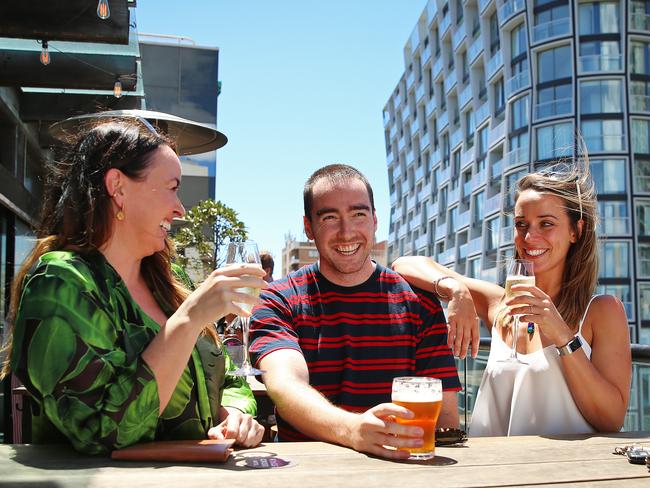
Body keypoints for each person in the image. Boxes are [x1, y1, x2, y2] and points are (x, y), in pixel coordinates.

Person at [0, 119, 267, 454]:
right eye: (172, 187)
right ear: (118, 187)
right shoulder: (60, 282)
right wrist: (188, 319)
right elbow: (101, 433)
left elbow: (227, 376)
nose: (180, 208)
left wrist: (236, 413)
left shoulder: (171, 281)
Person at [392, 159, 632, 436]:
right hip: (491, 472)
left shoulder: (602, 311)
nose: (529, 236)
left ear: (575, 231)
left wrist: (563, 336)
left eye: (546, 224)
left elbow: (611, 419)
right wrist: (455, 290)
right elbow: (405, 264)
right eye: (521, 224)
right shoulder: (500, 304)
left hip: (562, 474)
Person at [249, 164, 463, 460]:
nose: (346, 232)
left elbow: (445, 422)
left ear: (375, 221)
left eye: (358, 214)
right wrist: (353, 430)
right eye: (329, 218)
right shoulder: (278, 299)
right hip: (306, 472)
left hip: (400, 472)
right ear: (309, 227)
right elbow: (285, 386)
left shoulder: (419, 302)